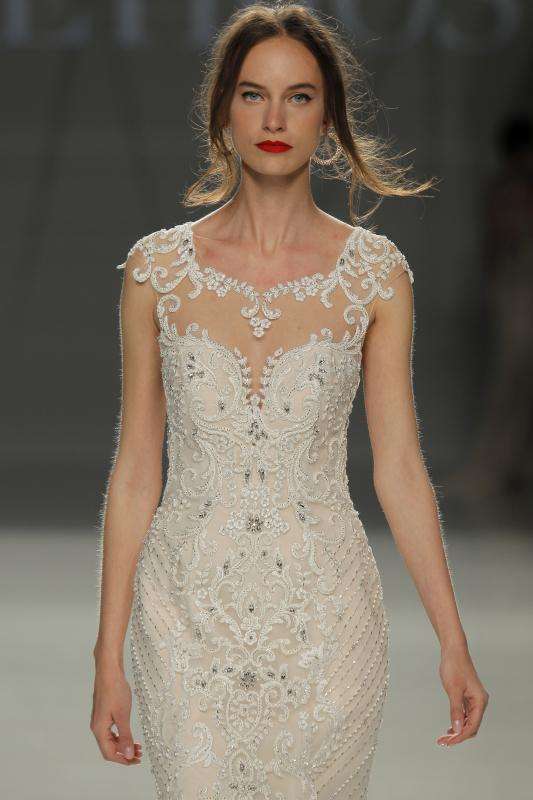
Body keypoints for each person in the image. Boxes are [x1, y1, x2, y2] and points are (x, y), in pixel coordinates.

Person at [91, 3, 489, 798]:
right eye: (253, 94)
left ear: (327, 119)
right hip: (184, 612)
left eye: (299, 97)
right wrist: (107, 657)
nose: (274, 119)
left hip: (325, 614)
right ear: (222, 113)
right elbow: (136, 470)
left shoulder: (374, 275)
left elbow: (399, 468)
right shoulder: (155, 272)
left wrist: (452, 640)